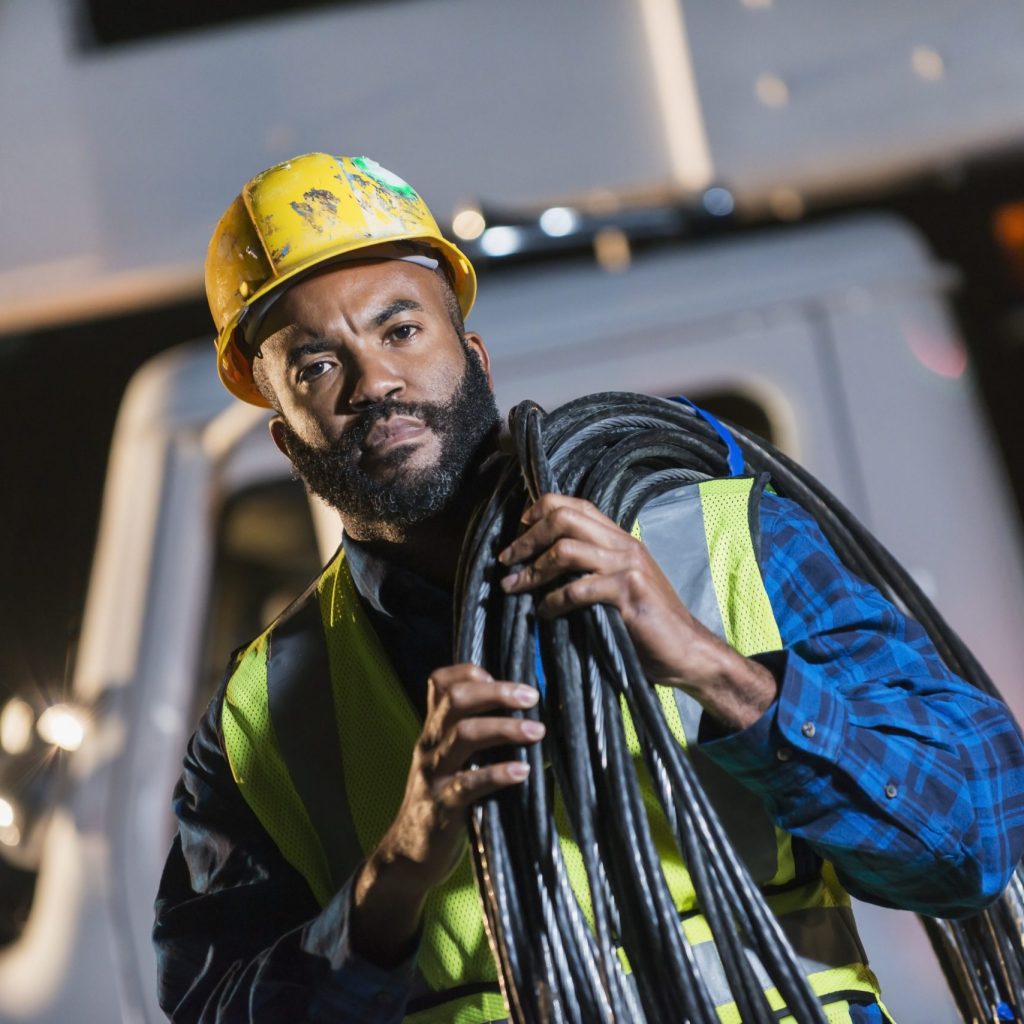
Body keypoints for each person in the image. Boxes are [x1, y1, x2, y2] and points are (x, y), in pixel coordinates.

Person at [153, 152, 1024, 1024]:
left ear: (474, 353)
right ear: (286, 437)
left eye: (401, 330)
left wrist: (714, 669)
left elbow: (974, 839)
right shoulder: (259, 718)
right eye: (315, 367)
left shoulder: (722, 543)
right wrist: (399, 869)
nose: (375, 381)